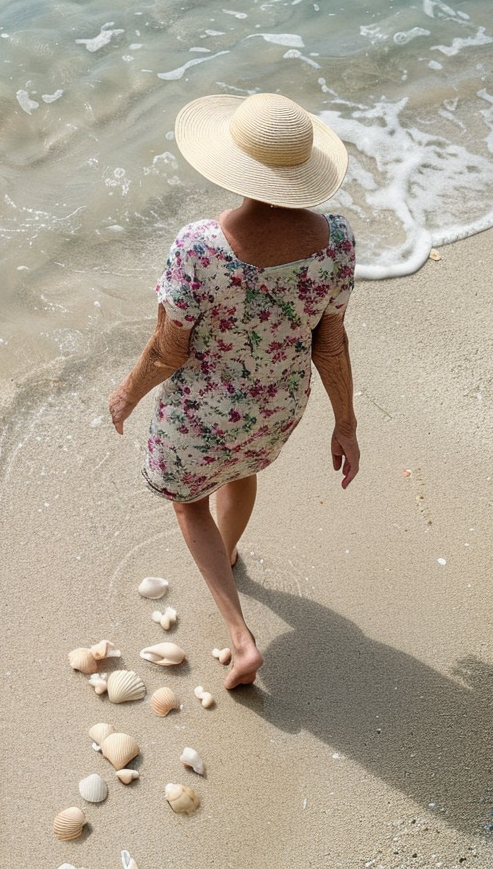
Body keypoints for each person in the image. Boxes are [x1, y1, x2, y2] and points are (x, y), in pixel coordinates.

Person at [108, 93, 360, 689]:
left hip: (203, 414)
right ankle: (226, 554)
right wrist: (345, 423)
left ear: (235, 165)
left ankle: (241, 638)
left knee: (188, 502)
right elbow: (331, 343)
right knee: (241, 471)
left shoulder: (199, 247)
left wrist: (126, 394)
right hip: (278, 406)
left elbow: (169, 349)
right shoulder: (337, 241)